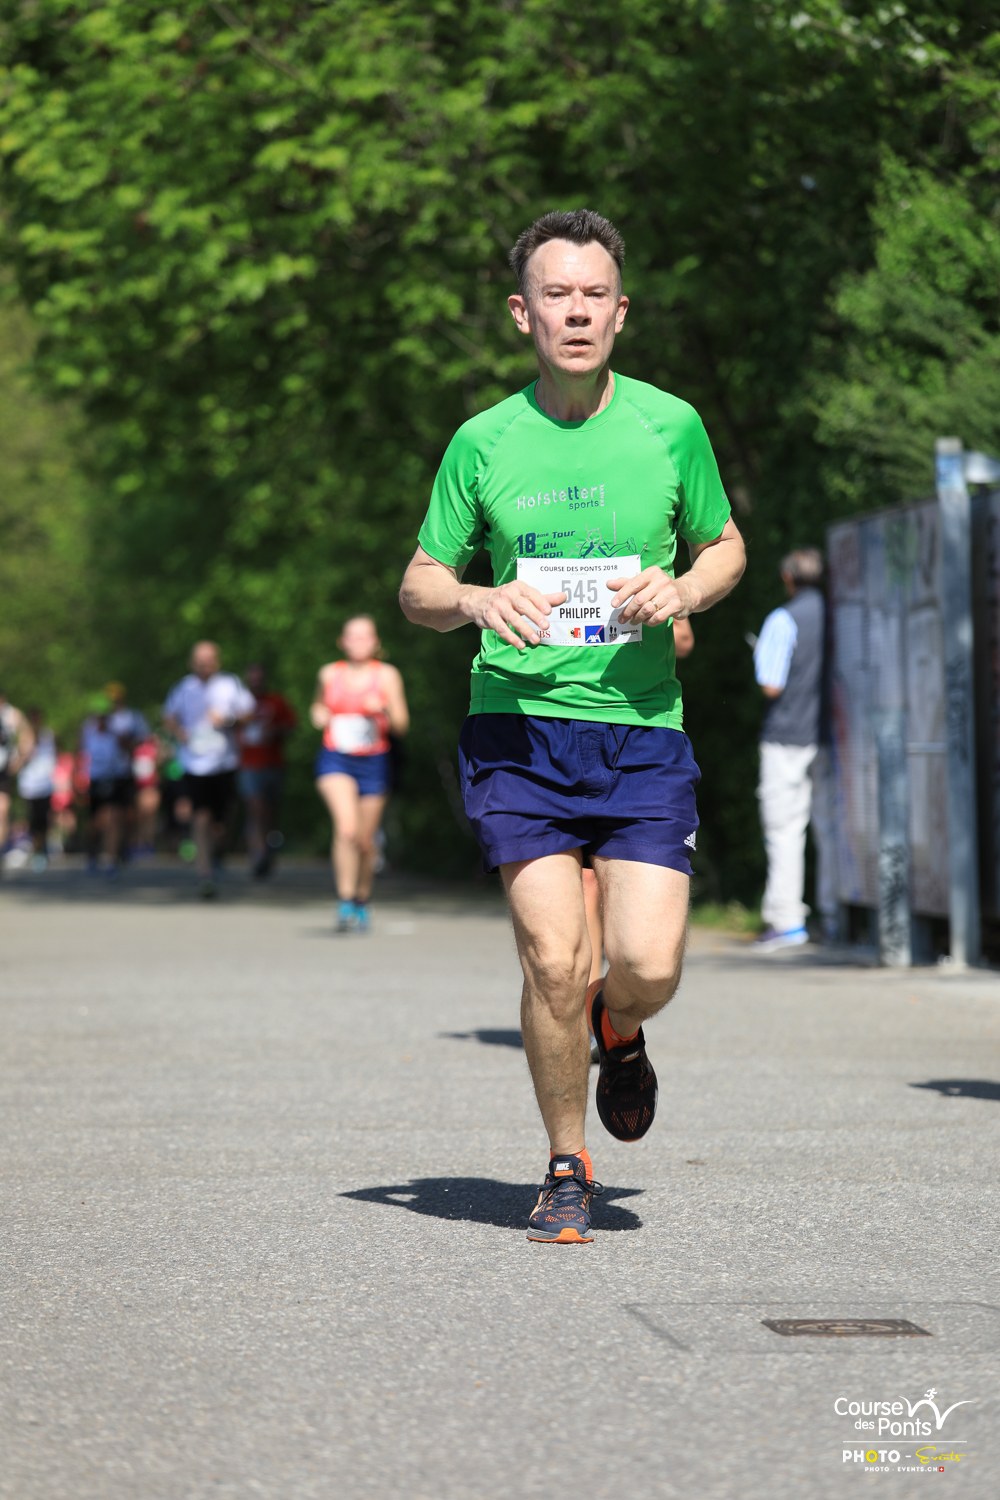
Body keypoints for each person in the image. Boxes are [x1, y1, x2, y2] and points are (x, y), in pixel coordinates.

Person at [399, 209, 745, 1243]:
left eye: (596, 294)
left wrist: (684, 590)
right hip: (518, 732)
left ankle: (618, 1028)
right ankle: (564, 1163)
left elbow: (726, 545)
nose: (578, 312)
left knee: (647, 966)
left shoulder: (670, 426)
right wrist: (475, 599)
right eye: (558, 294)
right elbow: (419, 584)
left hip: (641, 732)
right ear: (524, 313)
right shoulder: (484, 440)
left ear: (621, 312)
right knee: (553, 960)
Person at [581, 616, 695, 1001]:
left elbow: (683, 639)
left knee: (645, 952)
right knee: (582, 880)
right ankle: (586, 995)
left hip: (638, 728)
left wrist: (616, 627)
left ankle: (605, 996)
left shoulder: (645, 579)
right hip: (556, 726)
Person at [752, 547, 830, 951]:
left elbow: (771, 683)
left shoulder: (783, 619)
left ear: (788, 578)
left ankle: (787, 921)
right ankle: (835, 916)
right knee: (831, 828)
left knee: (785, 830)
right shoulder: (837, 614)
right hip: (830, 738)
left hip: (786, 737)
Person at [311, 616, 409, 931]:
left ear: (376, 642)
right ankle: (344, 901)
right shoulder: (329, 673)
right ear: (342, 641)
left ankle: (361, 899)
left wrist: (383, 709)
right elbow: (316, 708)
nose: (359, 641)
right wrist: (319, 715)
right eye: (352, 636)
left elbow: (402, 725)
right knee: (347, 829)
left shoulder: (387, 675)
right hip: (335, 759)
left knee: (366, 840)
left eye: (365, 636)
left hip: (374, 762)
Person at [163, 642, 255, 899]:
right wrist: (179, 733)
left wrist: (228, 720)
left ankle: (217, 852)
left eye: (209, 659)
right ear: (192, 662)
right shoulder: (183, 688)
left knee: (222, 820)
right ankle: (205, 874)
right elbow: (168, 716)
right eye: (199, 660)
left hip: (225, 762)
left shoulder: (230, 684)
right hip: (194, 763)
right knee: (200, 816)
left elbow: (250, 713)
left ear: (217, 661)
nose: (204, 664)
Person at [80, 689, 148, 875]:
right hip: (95, 779)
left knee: (116, 818)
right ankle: (92, 852)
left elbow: (131, 751)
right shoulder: (87, 731)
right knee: (96, 820)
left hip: (117, 778)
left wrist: (123, 742)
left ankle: (111, 858)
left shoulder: (118, 732)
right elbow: (80, 754)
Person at [239, 664, 298, 878]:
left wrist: (275, 730)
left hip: (274, 763)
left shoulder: (277, 701)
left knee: (270, 810)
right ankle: (258, 853)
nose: (256, 682)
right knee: (255, 808)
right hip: (248, 764)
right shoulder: (239, 703)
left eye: (259, 678)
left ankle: (268, 849)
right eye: (252, 678)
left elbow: (292, 726)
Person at [17, 707, 57, 868]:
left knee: (44, 818)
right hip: (29, 787)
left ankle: (43, 847)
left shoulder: (48, 735)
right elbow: (18, 762)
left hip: (45, 785)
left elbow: (53, 757)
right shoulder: (23, 737)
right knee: (33, 819)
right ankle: (36, 849)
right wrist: (27, 749)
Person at [0, 688, 34, 854]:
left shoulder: (12, 715)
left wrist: (19, 761)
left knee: (2, 810)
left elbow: (28, 737)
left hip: (3, 769)